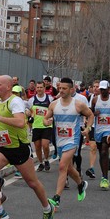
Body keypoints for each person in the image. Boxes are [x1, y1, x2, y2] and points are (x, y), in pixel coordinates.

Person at [0, 75, 54, 219]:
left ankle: (48, 208)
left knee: (32, 183)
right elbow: (0, 123)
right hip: (3, 146)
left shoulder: (15, 101)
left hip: (19, 148)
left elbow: (21, 122)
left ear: (8, 86)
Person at [44, 77, 94, 210]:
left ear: (71, 89)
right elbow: (45, 118)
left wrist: (88, 128)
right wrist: (46, 122)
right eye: (60, 88)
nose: (61, 90)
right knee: (69, 167)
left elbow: (91, 115)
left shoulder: (78, 104)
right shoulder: (54, 104)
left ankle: (56, 198)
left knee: (62, 167)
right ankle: (81, 184)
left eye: (64, 88)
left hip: (73, 140)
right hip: (59, 140)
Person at [90, 80, 110, 190]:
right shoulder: (95, 99)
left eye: (105, 89)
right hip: (98, 129)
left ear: (109, 89)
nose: (103, 91)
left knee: (104, 150)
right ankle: (106, 162)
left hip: (109, 129)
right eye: (101, 89)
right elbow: (90, 113)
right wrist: (94, 113)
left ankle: (105, 178)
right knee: (101, 152)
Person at [27, 81, 53, 172]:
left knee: (45, 145)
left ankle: (46, 160)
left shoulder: (50, 99)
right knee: (37, 146)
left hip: (46, 125)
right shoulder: (31, 100)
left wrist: (51, 119)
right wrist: (29, 119)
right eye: (37, 87)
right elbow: (29, 112)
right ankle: (41, 163)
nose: (39, 89)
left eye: (41, 87)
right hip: (36, 126)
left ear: (44, 88)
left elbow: (53, 110)